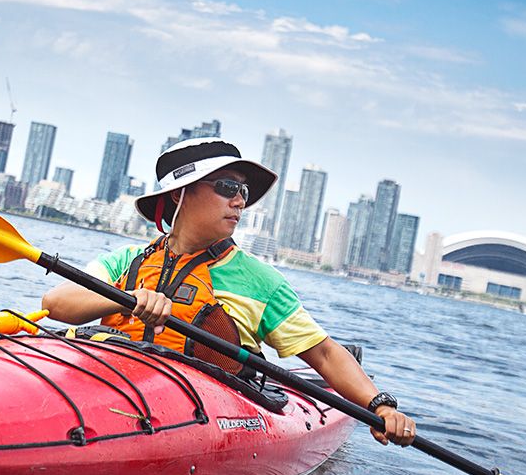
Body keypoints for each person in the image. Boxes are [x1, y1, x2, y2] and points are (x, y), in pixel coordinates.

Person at [42, 138, 416, 447]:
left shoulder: (259, 281)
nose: (240, 201)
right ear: (180, 194)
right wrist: (129, 295)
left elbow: (322, 352)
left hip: (198, 415)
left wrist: (380, 406)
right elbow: (56, 305)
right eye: (226, 188)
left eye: (244, 191)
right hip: (105, 385)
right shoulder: (125, 261)